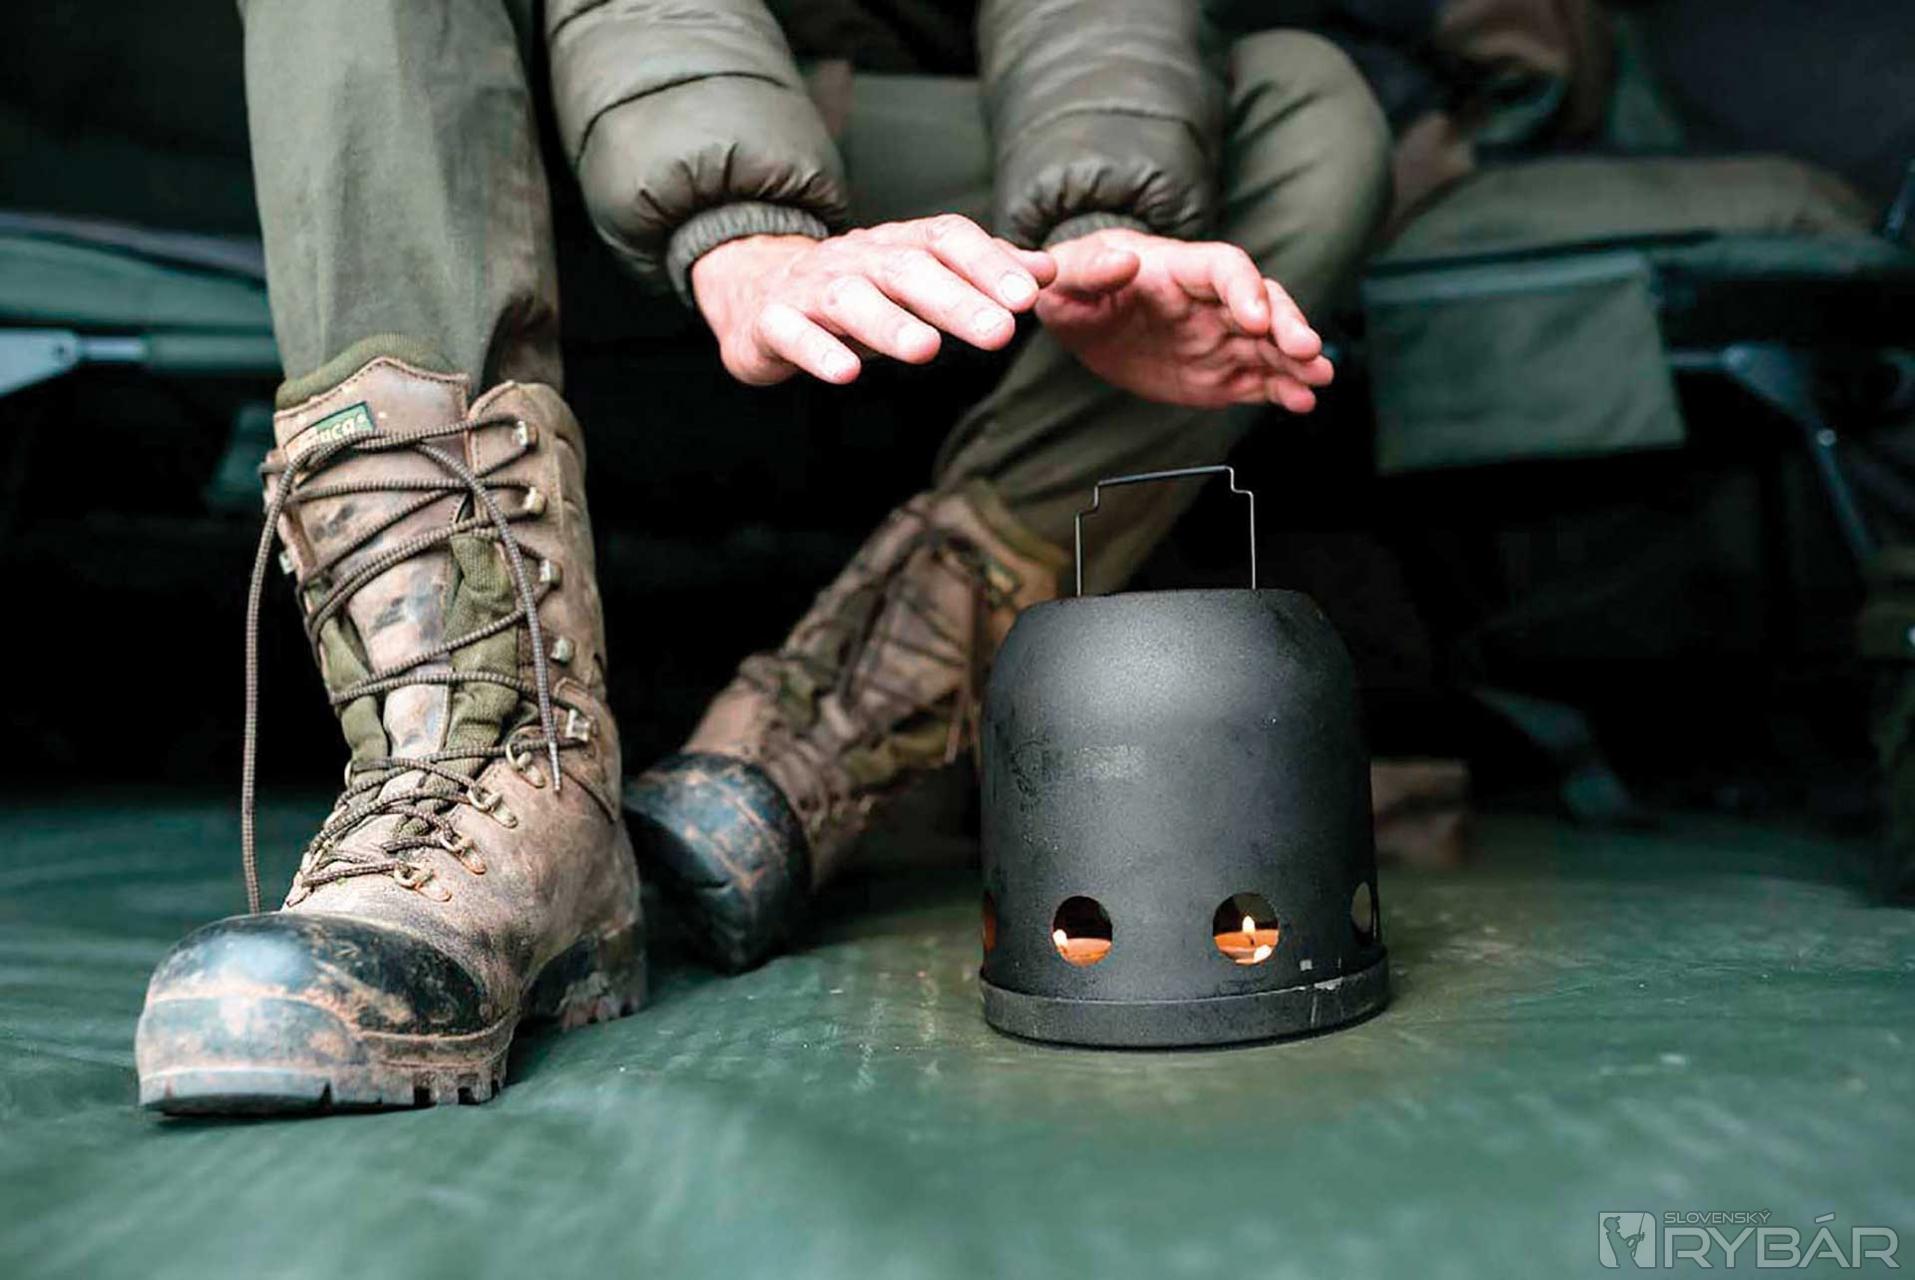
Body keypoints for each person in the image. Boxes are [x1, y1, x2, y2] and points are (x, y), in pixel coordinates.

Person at [133, 0, 1391, 1113]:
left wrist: (1107, 221)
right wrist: (741, 226)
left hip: (865, 118)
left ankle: (805, 746)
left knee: (1304, 107)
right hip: (531, 118)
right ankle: (487, 762)